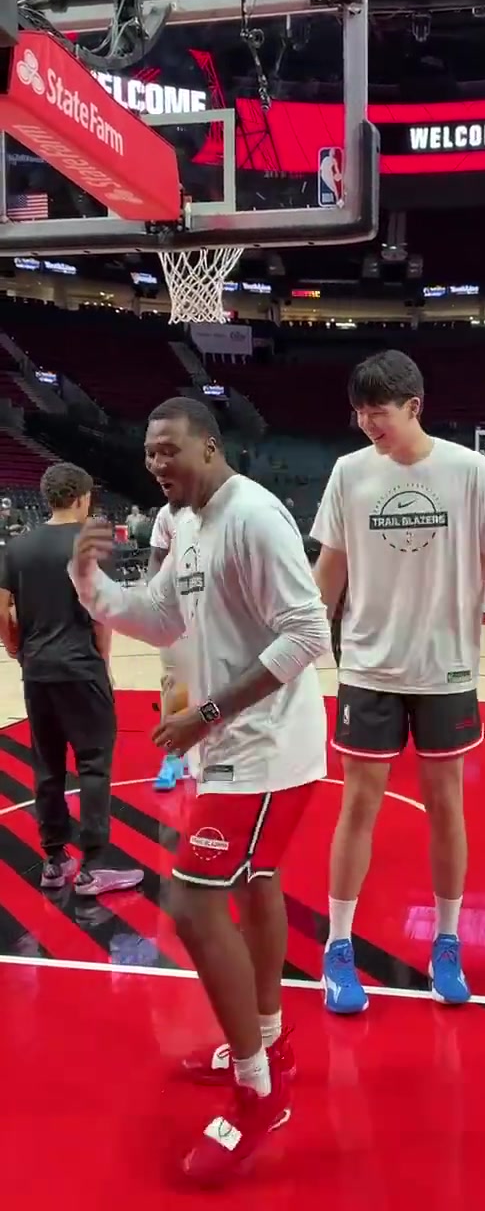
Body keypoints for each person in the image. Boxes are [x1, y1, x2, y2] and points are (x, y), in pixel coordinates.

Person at [69, 397, 330, 1186]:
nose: (156, 463)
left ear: (210, 447)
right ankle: (270, 1043)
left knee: (188, 903)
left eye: (169, 449)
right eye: (149, 452)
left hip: (266, 746)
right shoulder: (178, 523)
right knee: (256, 881)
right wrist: (88, 580)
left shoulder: (254, 517)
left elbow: (309, 634)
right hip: (230, 743)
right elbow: (160, 618)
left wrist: (207, 713)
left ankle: (260, 1093)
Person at [310, 350, 485, 1015]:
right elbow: (330, 572)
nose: (366, 422)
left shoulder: (468, 471)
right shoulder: (348, 473)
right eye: (359, 411)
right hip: (369, 666)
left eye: (378, 410)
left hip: (447, 668)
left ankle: (447, 941)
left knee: (446, 805)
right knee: (358, 805)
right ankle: (338, 946)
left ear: (414, 406)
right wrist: (298, 650)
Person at [0, 463, 143, 896]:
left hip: (37, 671)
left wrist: (16, 648)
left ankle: (54, 861)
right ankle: (95, 865)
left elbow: (2, 608)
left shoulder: (17, 548)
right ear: (83, 497)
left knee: (47, 767)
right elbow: (102, 612)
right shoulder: (91, 542)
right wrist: (103, 661)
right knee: (93, 765)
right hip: (81, 667)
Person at [148, 500, 192, 790]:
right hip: (177, 613)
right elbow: (156, 556)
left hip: (220, 612)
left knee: (224, 682)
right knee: (175, 685)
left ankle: (216, 756)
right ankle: (173, 756)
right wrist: (154, 600)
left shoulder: (232, 507)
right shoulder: (167, 514)